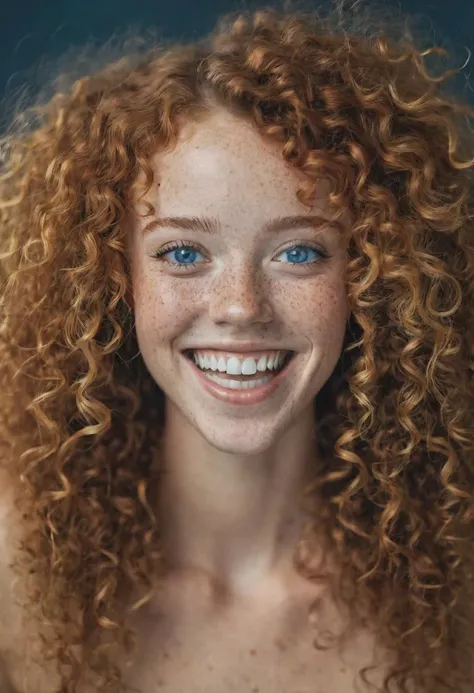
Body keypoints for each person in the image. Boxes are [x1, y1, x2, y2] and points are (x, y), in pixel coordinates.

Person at [0, 1, 473, 692]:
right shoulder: (14, 567)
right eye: (185, 251)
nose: (241, 308)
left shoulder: (458, 585)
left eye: (300, 250)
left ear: (372, 273)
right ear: (115, 274)